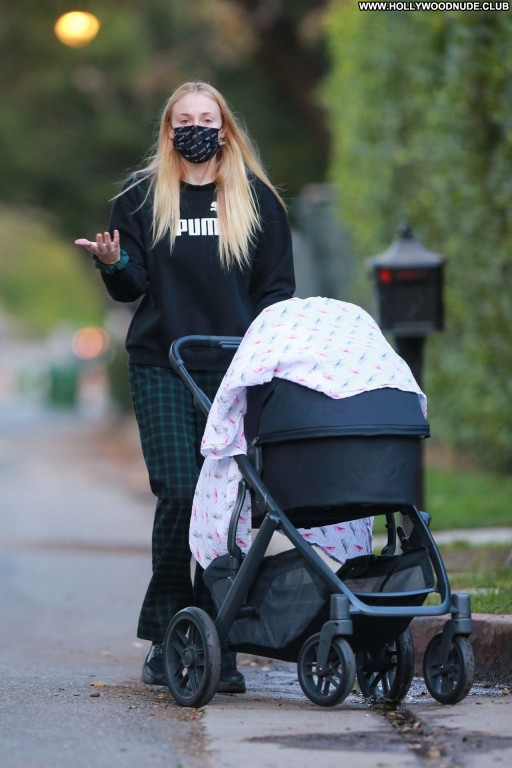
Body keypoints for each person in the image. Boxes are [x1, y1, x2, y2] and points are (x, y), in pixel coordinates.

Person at [75, 81, 295, 693]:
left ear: (224, 127)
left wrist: (267, 358)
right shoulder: (142, 197)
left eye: (207, 117)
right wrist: (114, 263)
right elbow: (131, 286)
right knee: (179, 491)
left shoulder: (256, 200)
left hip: (235, 371)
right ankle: (171, 633)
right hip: (162, 365)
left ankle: (216, 638)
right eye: (184, 119)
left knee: (229, 507)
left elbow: (277, 290)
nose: (196, 127)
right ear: (169, 130)